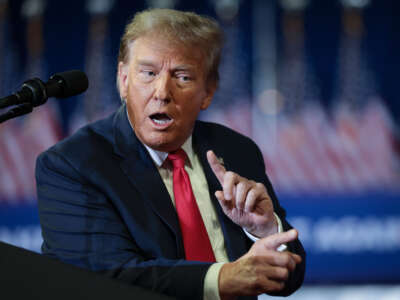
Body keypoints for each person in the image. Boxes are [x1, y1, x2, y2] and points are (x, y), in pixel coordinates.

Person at [36, 8, 305, 300]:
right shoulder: (73, 165)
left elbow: (289, 278)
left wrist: (265, 230)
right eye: (148, 73)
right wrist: (223, 278)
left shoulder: (236, 150)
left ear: (208, 92)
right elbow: (102, 279)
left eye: (183, 77)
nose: (162, 92)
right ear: (123, 80)